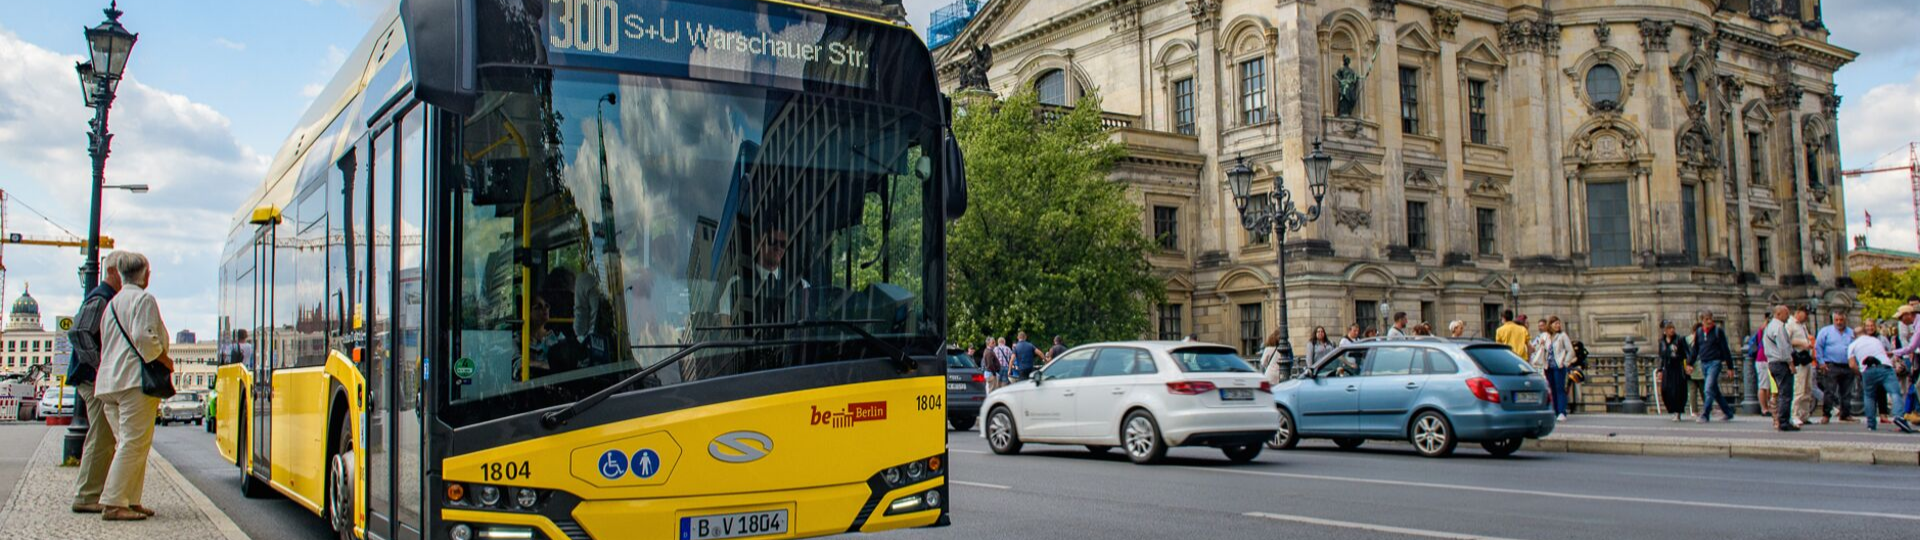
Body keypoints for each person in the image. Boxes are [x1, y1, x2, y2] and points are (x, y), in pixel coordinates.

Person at [94, 252, 172, 521]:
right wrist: (165, 360)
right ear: (145, 274)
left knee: (131, 443)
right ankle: (115, 503)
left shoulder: (113, 304)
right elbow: (144, 337)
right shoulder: (143, 299)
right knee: (133, 442)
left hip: (108, 382)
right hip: (133, 381)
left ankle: (130, 499)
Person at [69, 256, 124, 515]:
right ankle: (87, 495)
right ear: (111, 270)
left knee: (102, 436)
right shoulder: (101, 297)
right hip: (92, 380)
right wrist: (99, 366)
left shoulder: (102, 296)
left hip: (91, 377)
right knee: (101, 435)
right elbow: (78, 332)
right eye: (122, 272)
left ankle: (93, 491)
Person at [1850, 322, 1914, 433]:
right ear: (1865, 333)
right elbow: (1884, 353)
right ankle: (1898, 416)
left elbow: (1851, 364)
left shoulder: (1852, 345)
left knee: (1869, 396)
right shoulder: (1876, 340)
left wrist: (1860, 373)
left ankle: (1871, 424)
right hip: (1885, 367)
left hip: (1867, 369)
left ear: (1854, 336)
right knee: (1894, 393)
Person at [1690, 312, 1736, 423]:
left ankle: (1705, 414)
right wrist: (1689, 363)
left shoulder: (1718, 332)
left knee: (1708, 388)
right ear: (1702, 321)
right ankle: (1728, 412)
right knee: (1714, 390)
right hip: (1704, 363)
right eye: (1707, 319)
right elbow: (1695, 349)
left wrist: (1730, 367)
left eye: (1711, 319)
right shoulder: (1699, 332)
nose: (1709, 321)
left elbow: (1725, 349)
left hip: (1715, 362)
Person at [1813, 311, 1857, 424]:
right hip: (1831, 365)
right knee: (1829, 391)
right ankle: (1826, 415)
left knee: (1846, 392)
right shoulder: (1825, 331)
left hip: (1847, 365)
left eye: (1841, 320)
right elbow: (1818, 347)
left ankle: (1845, 414)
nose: (1839, 322)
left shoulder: (1851, 333)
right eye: (1836, 320)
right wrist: (1821, 362)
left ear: (1845, 320)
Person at [1762, 305, 1799, 431]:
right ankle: (1783, 421)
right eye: (1786, 314)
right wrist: (1791, 363)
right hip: (1780, 363)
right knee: (1785, 393)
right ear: (1778, 314)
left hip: (1772, 362)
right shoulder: (1778, 327)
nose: (1788, 317)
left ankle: (1778, 419)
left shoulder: (1769, 327)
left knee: (1779, 393)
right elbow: (1784, 348)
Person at [1533, 316, 1574, 421]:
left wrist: (1565, 363)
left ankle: (1561, 412)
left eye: (1559, 323)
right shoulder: (1545, 336)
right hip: (1548, 367)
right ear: (1550, 325)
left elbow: (1570, 350)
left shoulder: (1562, 336)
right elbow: (1537, 349)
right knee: (1552, 389)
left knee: (1560, 389)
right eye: (1555, 323)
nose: (1558, 325)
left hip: (1558, 366)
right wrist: (1540, 345)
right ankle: (1555, 411)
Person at [1656, 321, 1690, 421]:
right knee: (1665, 389)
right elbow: (1661, 357)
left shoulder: (1679, 339)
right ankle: (1671, 409)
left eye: (1673, 328)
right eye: (1669, 328)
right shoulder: (1662, 342)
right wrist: (1660, 370)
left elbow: (1687, 353)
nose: (1672, 330)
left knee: (1677, 390)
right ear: (1665, 331)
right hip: (1668, 368)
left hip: (1678, 367)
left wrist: (1688, 365)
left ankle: (1678, 411)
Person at [1788, 306, 1815, 427]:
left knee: (1807, 388)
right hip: (1798, 358)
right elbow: (1786, 340)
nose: (1806, 318)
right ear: (1798, 313)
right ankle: (1794, 414)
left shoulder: (1802, 325)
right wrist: (1802, 343)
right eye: (1804, 315)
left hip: (1806, 358)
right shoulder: (1790, 324)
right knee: (1798, 388)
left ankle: (1804, 414)